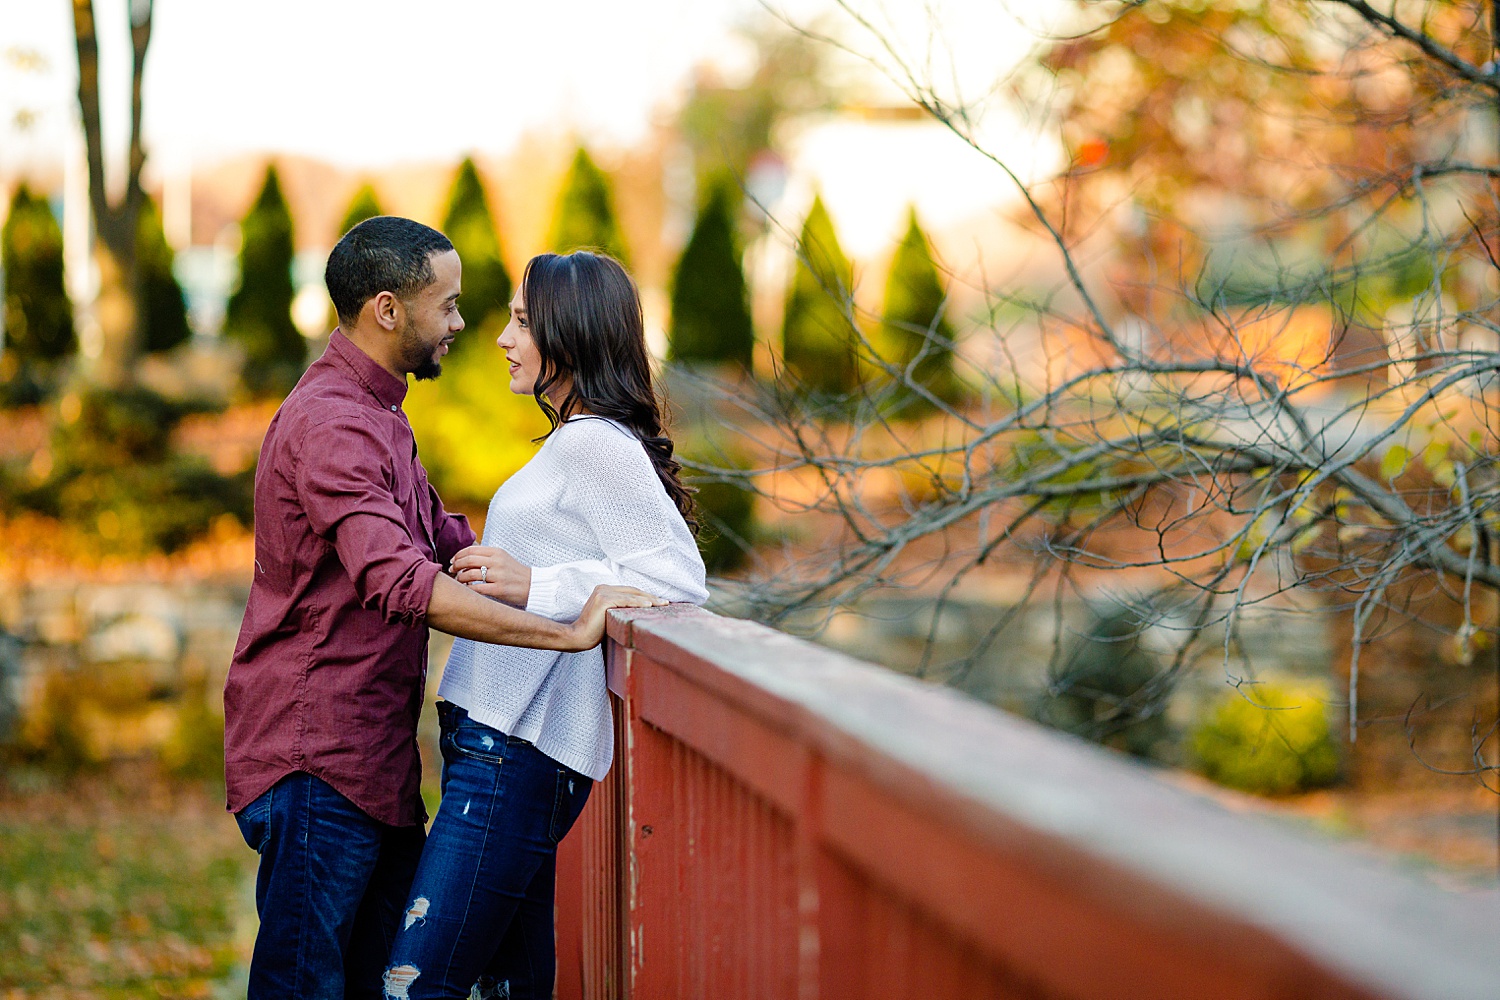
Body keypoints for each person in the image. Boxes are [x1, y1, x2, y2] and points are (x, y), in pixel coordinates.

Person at [223, 220, 664, 1000]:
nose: (467, 326)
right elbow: (403, 581)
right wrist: (565, 631)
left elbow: (446, 547)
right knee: (304, 988)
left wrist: (547, 572)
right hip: (315, 758)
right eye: (450, 306)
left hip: (373, 765)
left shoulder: (380, 417)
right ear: (388, 310)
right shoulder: (334, 424)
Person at [380, 251, 709, 1000]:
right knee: (510, 988)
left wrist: (538, 585)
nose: (500, 337)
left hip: (513, 756)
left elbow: (678, 580)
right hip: (496, 749)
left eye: (523, 322)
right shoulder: (575, 441)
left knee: (413, 986)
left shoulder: (595, 445)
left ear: (573, 333)